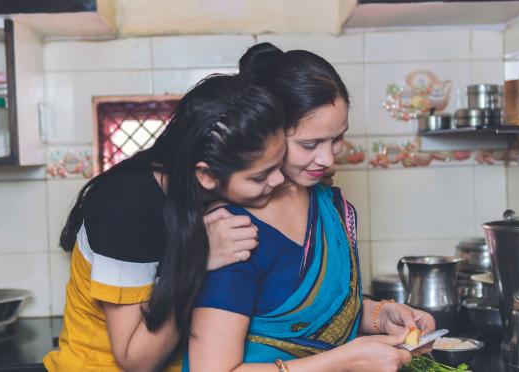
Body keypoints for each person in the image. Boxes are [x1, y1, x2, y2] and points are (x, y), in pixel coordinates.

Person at [186, 43, 435, 372]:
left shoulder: (329, 205)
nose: (329, 159)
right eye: (309, 144)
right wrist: (343, 362)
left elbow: (327, 317)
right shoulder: (233, 233)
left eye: (337, 139)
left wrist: (382, 315)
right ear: (269, 134)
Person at [44, 74, 289, 371]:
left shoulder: (206, 190)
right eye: (260, 176)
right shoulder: (126, 205)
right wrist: (199, 259)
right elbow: (135, 359)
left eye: (280, 165)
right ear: (206, 174)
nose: (278, 180)